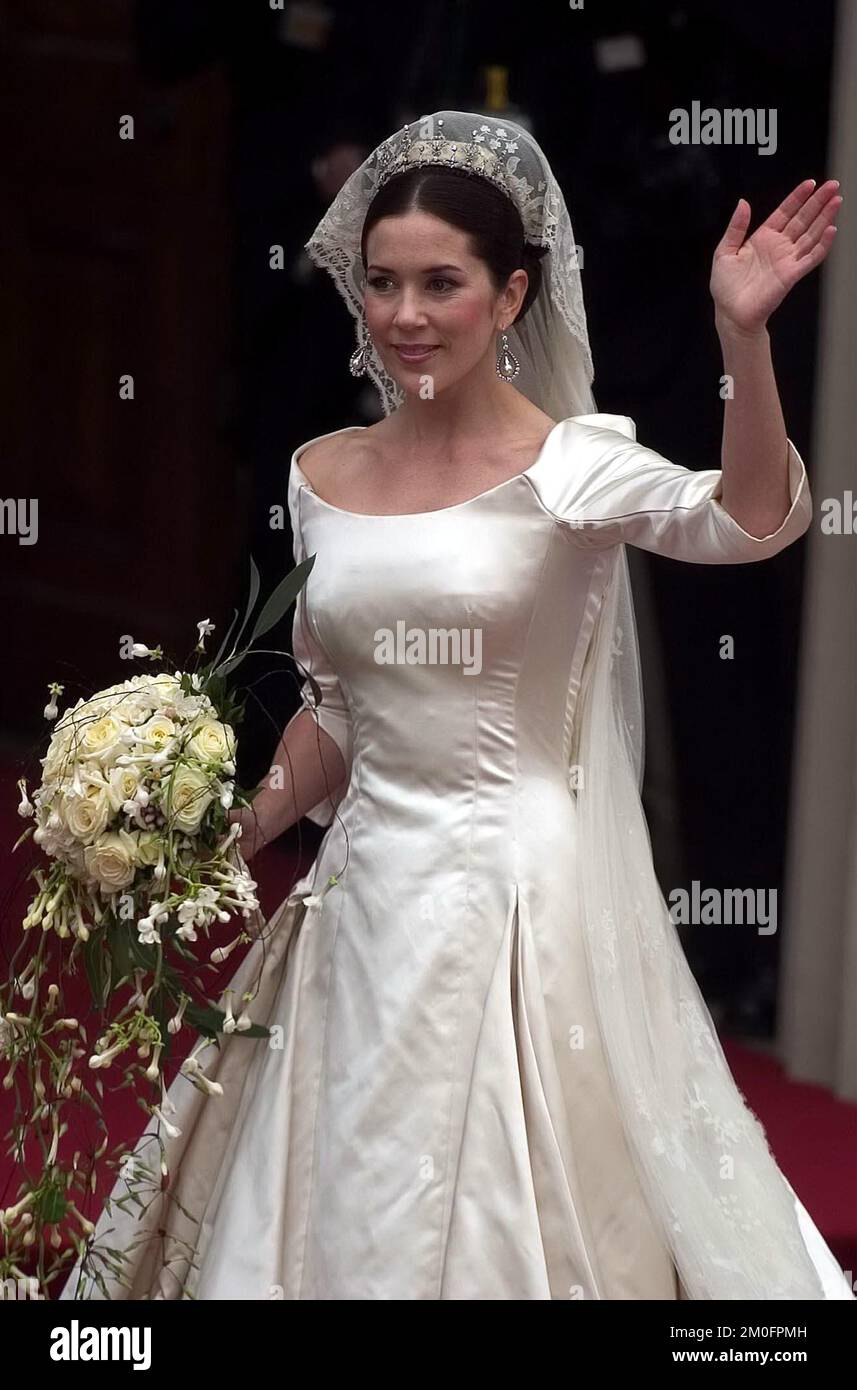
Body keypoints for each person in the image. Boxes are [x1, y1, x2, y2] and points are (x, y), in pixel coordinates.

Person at [60, 111, 850, 1301]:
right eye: (381, 282)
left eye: (441, 283)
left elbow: (747, 521)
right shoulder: (320, 471)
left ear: (510, 293)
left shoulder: (572, 465)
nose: (405, 315)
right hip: (358, 900)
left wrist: (740, 337)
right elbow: (334, 715)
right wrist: (217, 836)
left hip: (520, 901)